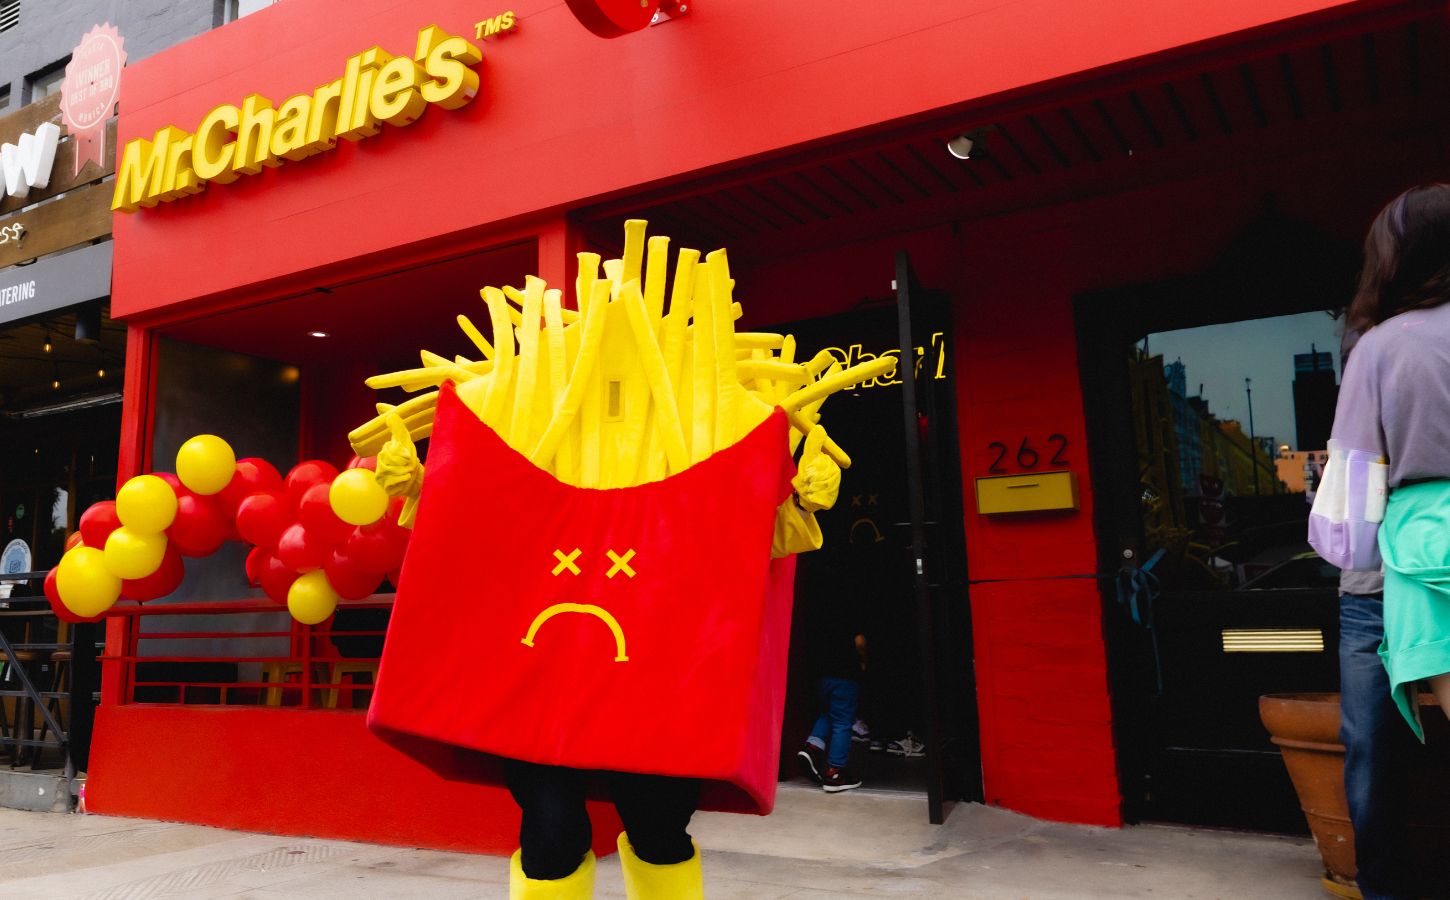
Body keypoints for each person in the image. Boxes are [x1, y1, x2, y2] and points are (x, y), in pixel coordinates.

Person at [1327, 183, 1450, 899]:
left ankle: (1384, 888)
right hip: (1402, 569)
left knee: (1370, 748)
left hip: (1382, 579)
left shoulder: (1376, 348)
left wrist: (1351, 555)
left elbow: (1353, 479)